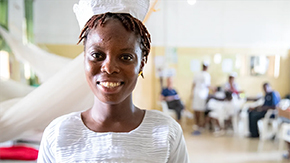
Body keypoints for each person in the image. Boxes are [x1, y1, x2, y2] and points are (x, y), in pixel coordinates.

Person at [37, 0, 189, 162]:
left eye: (126, 57)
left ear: (141, 64)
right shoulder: (59, 133)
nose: (109, 68)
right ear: (84, 60)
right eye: (97, 55)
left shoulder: (166, 132)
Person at [190, 62, 211, 135]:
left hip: (196, 93)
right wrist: (214, 88)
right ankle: (200, 125)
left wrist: (191, 93)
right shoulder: (206, 75)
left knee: (197, 109)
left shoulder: (197, 74)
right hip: (202, 94)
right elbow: (208, 85)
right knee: (201, 110)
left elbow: (193, 84)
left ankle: (197, 124)